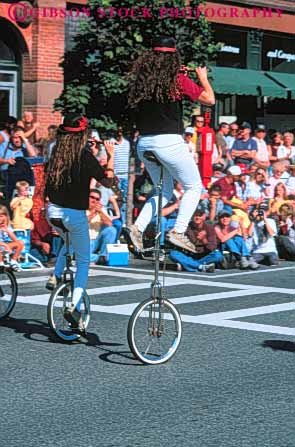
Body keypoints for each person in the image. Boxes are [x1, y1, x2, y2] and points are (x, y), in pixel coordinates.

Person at [127, 36, 215, 253]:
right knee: (194, 187)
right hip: (168, 141)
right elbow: (209, 99)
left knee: (164, 191)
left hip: (144, 142)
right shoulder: (177, 80)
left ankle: (137, 228)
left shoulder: (142, 82)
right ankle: (178, 231)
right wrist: (202, 77)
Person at [45, 113, 115, 328]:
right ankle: (73, 305)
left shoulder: (56, 150)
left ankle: (55, 276)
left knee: (68, 241)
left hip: (53, 212)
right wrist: (109, 154)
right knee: (83, 262)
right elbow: (108, 182)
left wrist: (89, 147)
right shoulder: (85, 157)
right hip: (74, 214)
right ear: (84, 134)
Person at [87, 189, 117, 264]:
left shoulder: (101, 210)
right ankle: (100, 258)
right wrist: (93, 212)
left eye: (97, 199)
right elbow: (83, 223)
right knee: (83, 257)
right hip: (85, 241)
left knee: (111, 230)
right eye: (92, 197)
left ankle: (103, 255)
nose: (94, 200)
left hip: (96, 240)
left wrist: (100, 212)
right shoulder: (81, 208)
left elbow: (109, 224)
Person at [0, 204, 24, 271]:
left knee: (20, 242)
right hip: (1, 244)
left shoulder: (7, 225)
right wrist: (5, 246)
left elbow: (15, 239)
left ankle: (13, 261)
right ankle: (1, 264)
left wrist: (7, 231)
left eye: (1, 216)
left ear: (6, 216)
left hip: (5, 244)